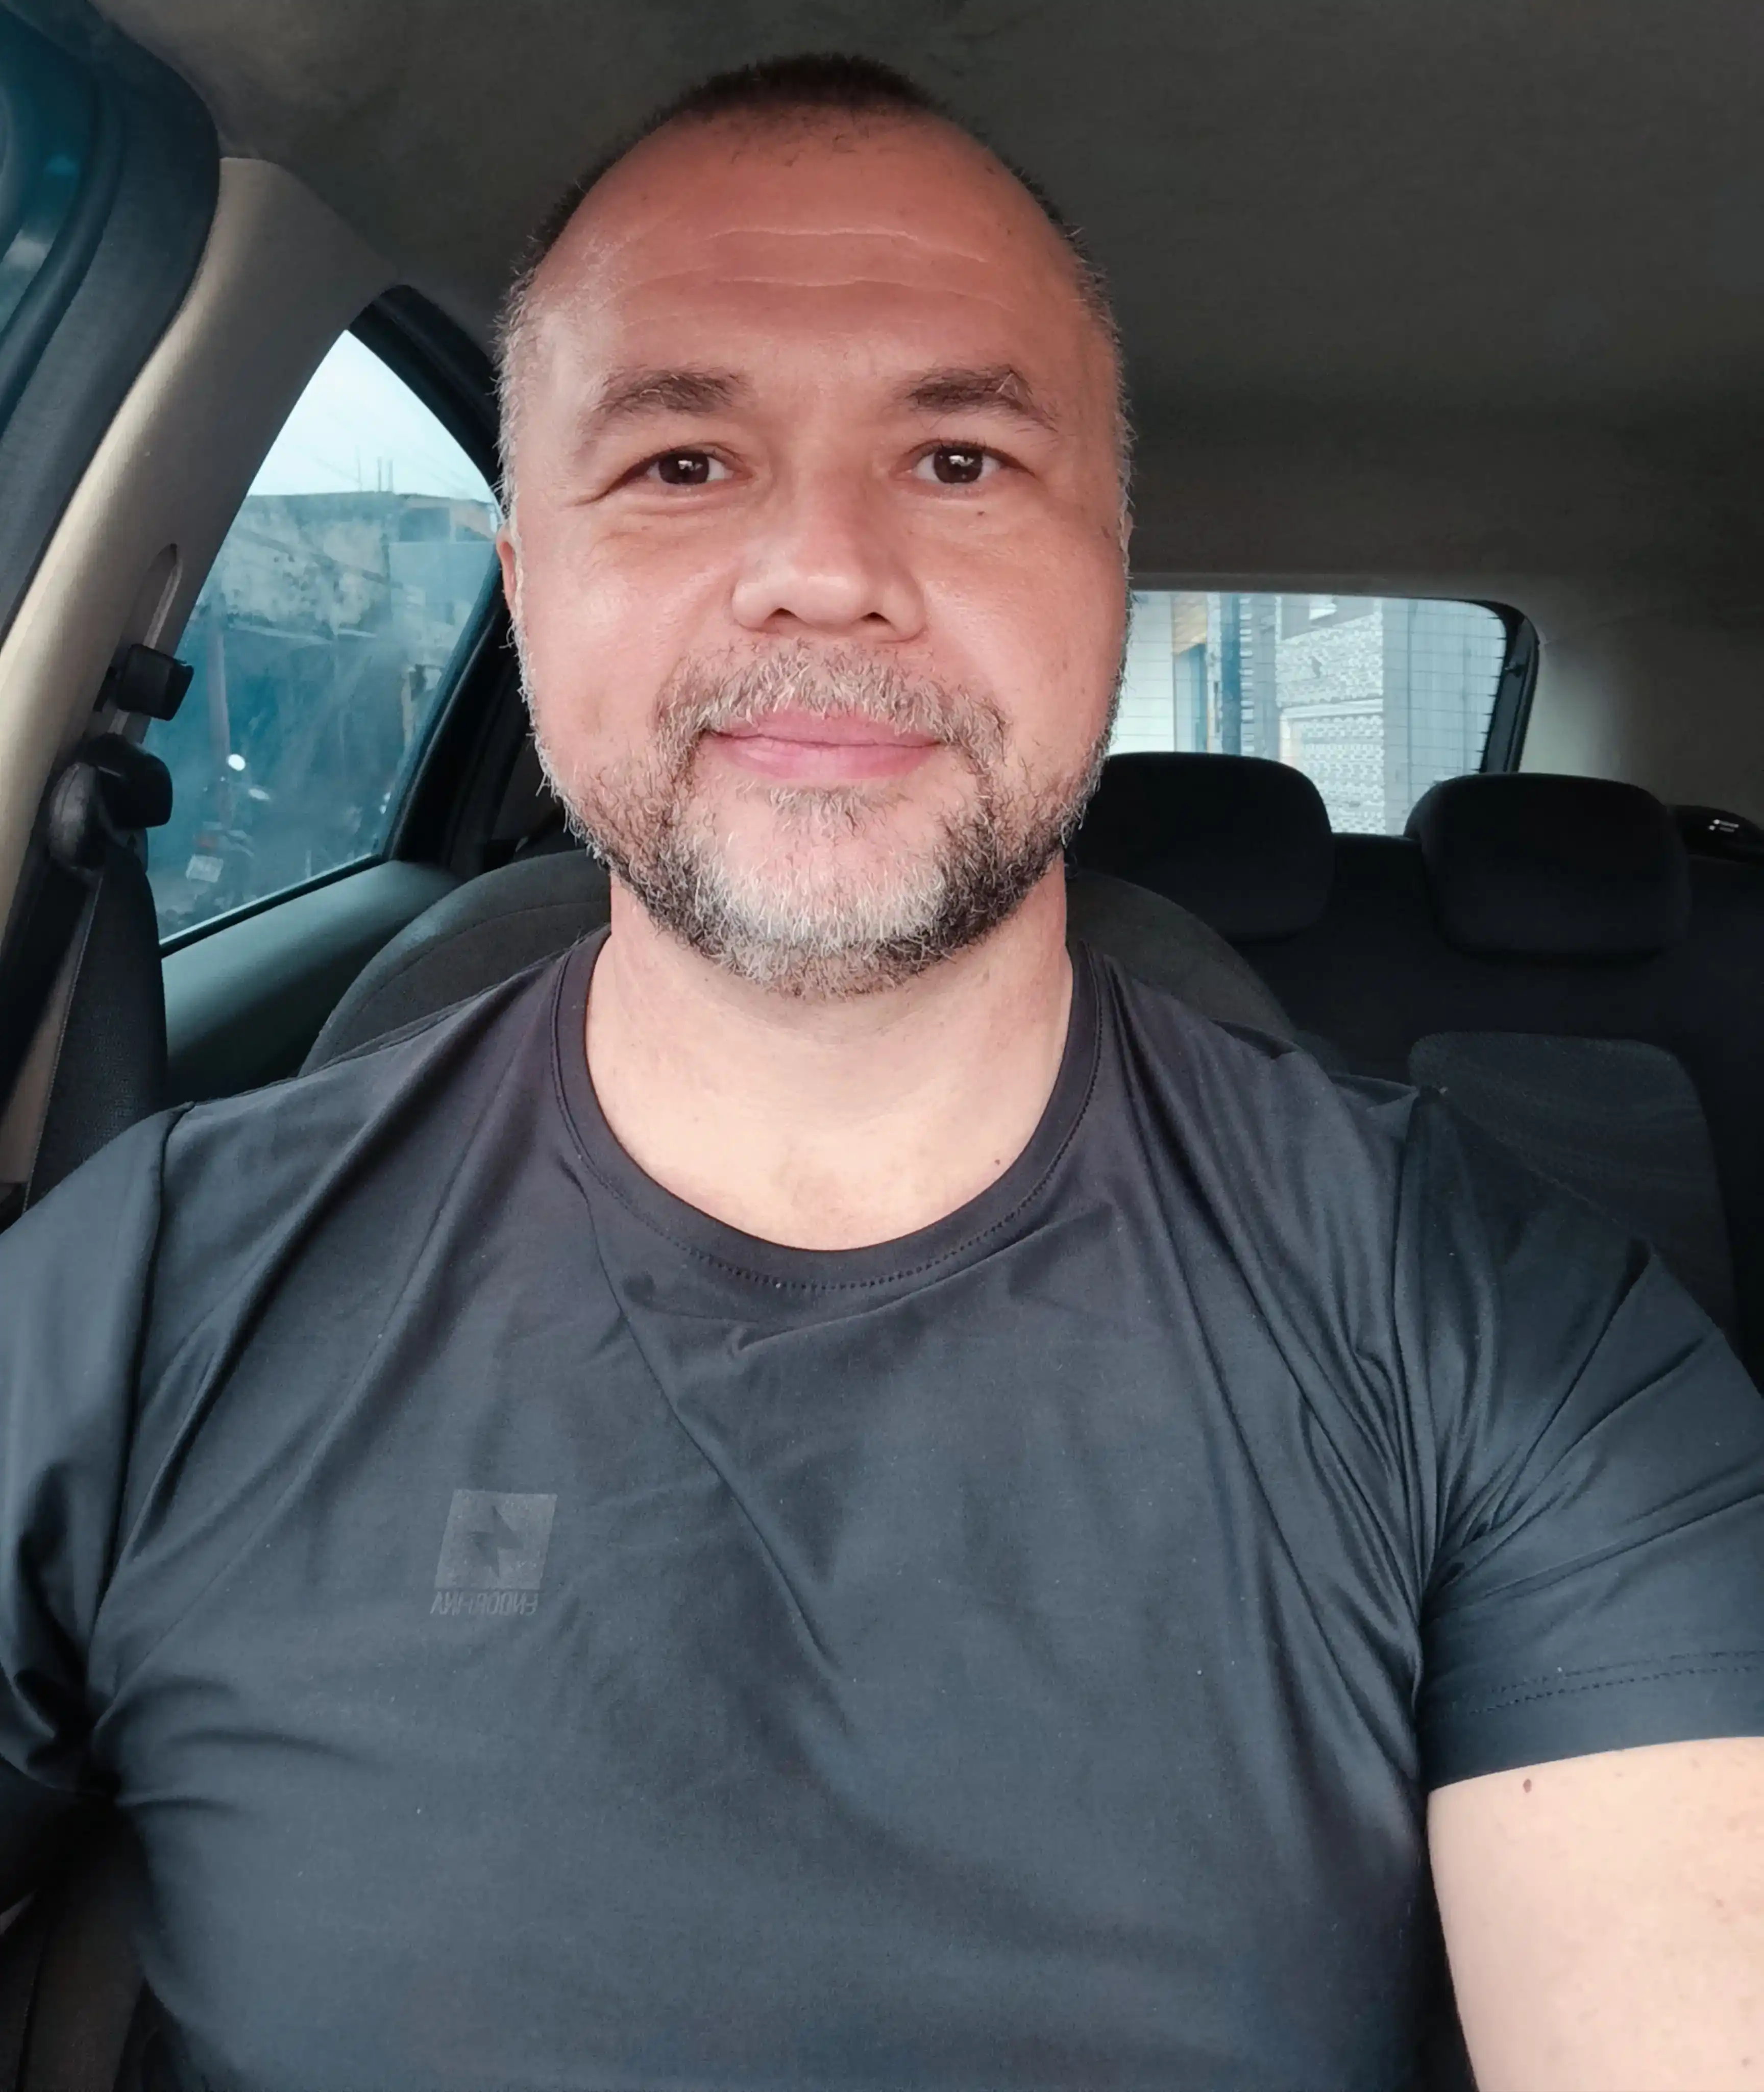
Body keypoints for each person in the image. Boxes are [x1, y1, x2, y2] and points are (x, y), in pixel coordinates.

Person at [2, 51, 1761, 2092]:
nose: (825, 566)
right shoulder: (143, 1295)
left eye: (959, 460)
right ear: (526, 585)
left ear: (1111, 576)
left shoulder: (1512, 1332)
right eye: (681, 461)